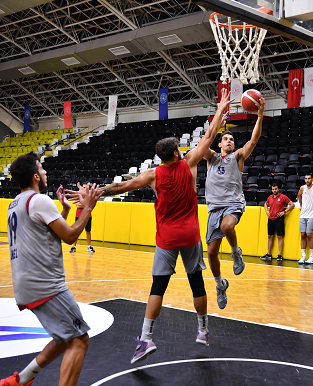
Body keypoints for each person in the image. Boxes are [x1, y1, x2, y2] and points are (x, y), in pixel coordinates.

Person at [69, 89, 232, 364]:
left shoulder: (153, 175)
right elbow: (209, 135)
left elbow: (121, 186)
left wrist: (96, 193)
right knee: (197, 284)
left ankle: (146, 339)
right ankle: (202, 331)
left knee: (158, 288)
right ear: (177, 152)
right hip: (190, 236)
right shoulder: (189, 162)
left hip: (166, 239)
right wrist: (220, 110)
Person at [1, 153, 100, 386]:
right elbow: (69, 236)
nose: (46, 173)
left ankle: (21, 380)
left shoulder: (14, 203)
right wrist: (88, 208)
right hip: (45, 284)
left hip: (26, 284)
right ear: (36, 176)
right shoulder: (39, 200)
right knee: (79, 339)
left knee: (65, 336)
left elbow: (47, 233)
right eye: (42, 170)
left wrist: (64, 211)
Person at [203, 95, 265, 310]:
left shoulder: (238, 157)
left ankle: (236, 252)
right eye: (226, 139)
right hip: (214, 209)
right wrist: (216, 124)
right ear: (219, 143)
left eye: (232, 139)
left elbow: (253, 140)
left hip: (233, 204)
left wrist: (259, 114)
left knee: (227, 226)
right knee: (210, 253)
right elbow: (203, 144)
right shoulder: (211, 157)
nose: (230, 141)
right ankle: (220, 284)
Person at [259, 184, 295, 262]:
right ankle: (269, 254)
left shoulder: (283, 197)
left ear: (278, 189)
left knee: (280, 237)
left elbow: (292, 205)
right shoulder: (270, 197)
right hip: (271, 219)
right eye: (273, 189)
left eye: (275, 189)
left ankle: (280, 255)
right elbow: (265, 204)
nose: (274, 190)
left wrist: (284, 212)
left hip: (279, 218)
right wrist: (266, 211)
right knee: (270, 236)